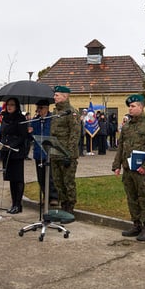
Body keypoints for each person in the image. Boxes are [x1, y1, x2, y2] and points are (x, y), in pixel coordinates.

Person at [112, 94, 145, 242]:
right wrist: (116, 166)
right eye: (130, 106)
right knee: (131, 198)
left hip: (142, 170)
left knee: (144, 197)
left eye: (133, 106)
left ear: (141, 107)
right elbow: (121, 146)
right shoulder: (127, 125)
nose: (130, 108)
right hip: (128, 169)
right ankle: (136, 225)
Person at [49, 86, 81, 214]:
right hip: (55, 152)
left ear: (65, 96)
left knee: (68, 182)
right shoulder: (56, 112)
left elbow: (75, 134)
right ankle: (63, 205)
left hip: (67, 154)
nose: (54, 97)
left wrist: (69, 154)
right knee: (58, 182)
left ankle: (70, 207)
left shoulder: (71, 112)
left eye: (57, 95)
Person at [0, 98, 26, 214]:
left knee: (18, 178)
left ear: (16, 106)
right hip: (6, 151)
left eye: (12, 105)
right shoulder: (5, 118)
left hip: (16, 151)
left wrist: (12, 144)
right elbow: (3, 133)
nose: (9, 107)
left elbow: (22, 136)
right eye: (8, 105)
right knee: (10, 178)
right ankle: (13, 203)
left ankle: (18, 204)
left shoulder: (20, 118)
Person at [28, 99, 58, 204]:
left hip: (49, 152)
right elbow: (32, 135)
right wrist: (29, 132)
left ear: (46, 108)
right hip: (38, 152)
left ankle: (53, 196)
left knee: (50, 176)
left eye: (41, 108)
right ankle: (45, 195)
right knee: (41, 177)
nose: (38, 110)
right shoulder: (35, 120)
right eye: (37, 108)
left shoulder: (52, 119)